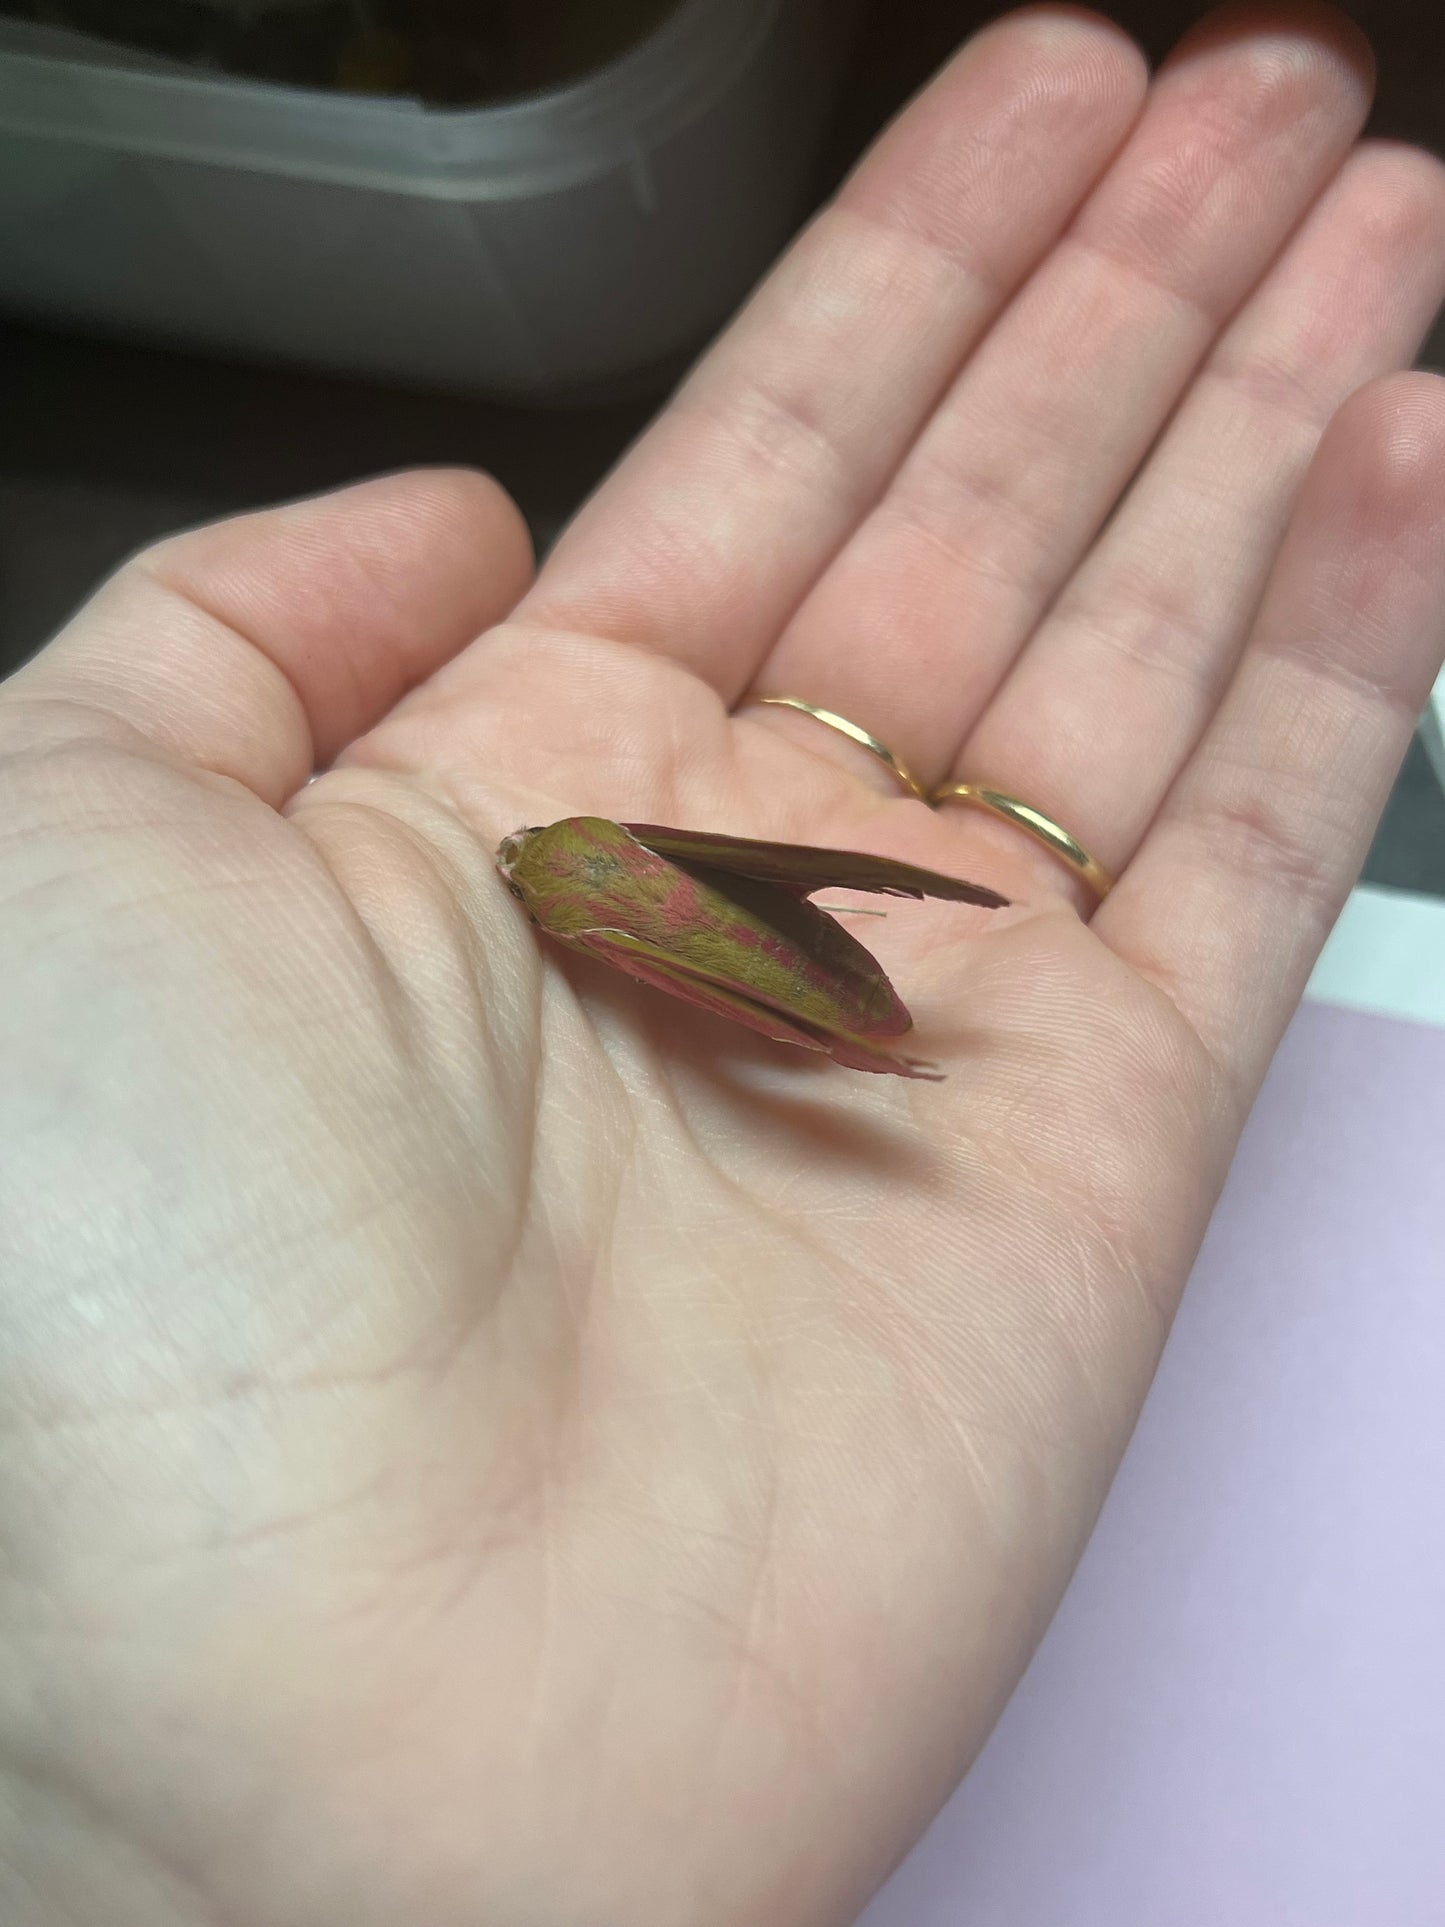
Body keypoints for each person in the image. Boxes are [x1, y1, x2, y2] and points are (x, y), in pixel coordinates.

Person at [2, 3, 1442, 1921]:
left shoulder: (578, 898)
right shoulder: (586, 894)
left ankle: (879, 1030)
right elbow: (671, 928)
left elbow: (665, 923)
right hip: (759, 944)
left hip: (761, 943)